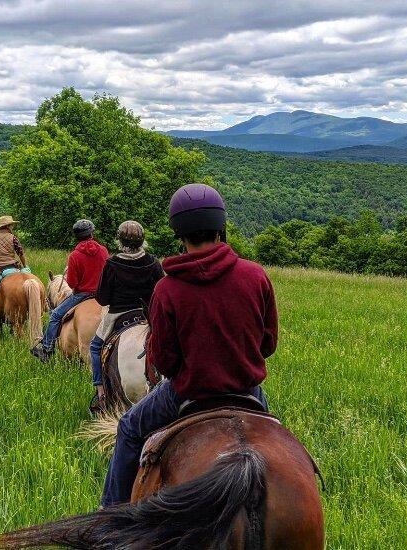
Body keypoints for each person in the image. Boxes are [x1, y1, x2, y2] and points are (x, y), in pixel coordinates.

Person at [100, 183, 278, 507]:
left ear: (179, 233)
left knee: (128, 428)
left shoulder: (167, 290)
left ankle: (109, 515)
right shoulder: (257, 276)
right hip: (248, 391)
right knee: (279, 444)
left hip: (187, 393)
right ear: (220, 227)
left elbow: (165, 362)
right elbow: (268, 344)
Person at [89, 221, 165, 413]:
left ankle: (100, 393)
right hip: (147, 317)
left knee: (95, 346)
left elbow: (102, 298)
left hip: (118, 316)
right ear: (142, 241)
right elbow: (162, 293)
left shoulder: (112, 264)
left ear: (120, 240)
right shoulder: (153, 263)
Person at [31, 219, 109, 361]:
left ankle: (47, 349)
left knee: (55, 315)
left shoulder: (75, 255)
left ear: (77, 236)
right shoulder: (103, 251)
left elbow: (72, 282)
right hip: (102, 295)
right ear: (92, 233)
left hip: (82, 295)